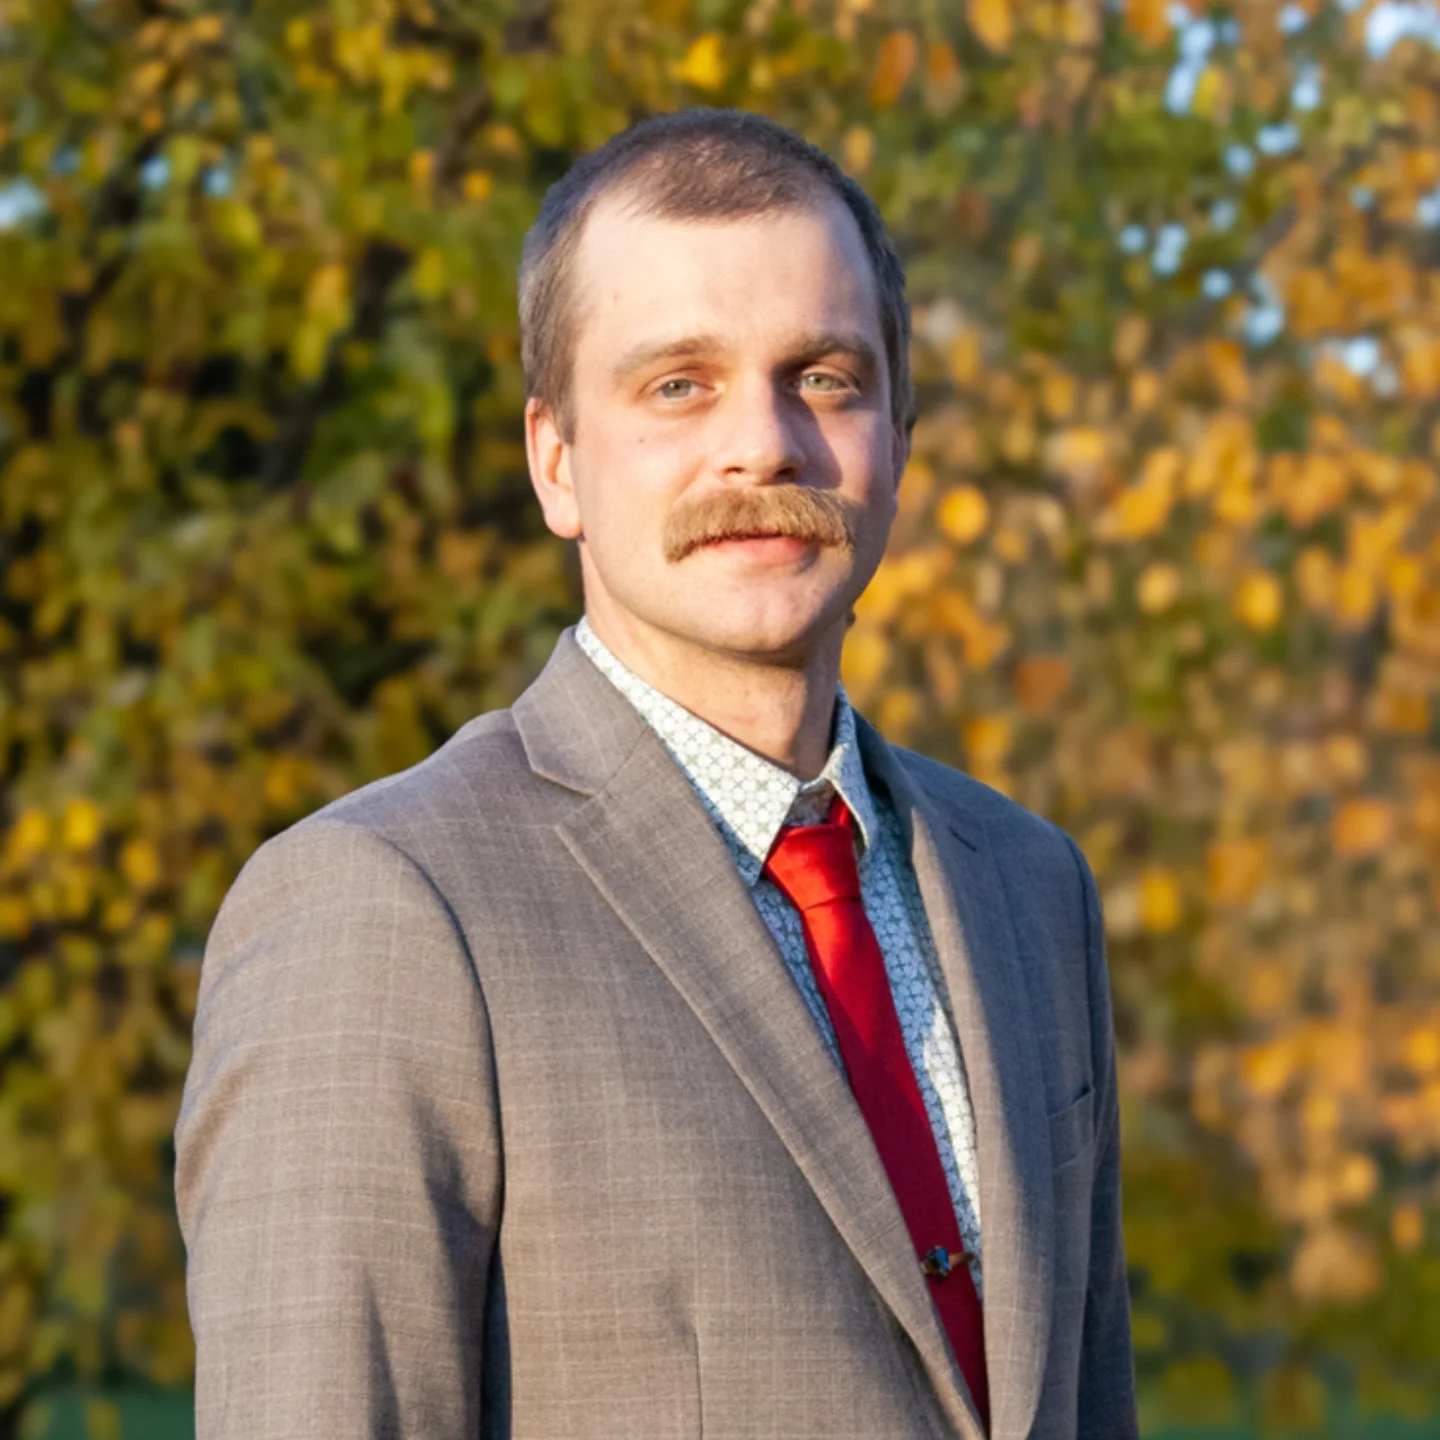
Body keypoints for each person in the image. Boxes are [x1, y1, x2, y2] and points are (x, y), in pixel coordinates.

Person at [175, 108, 1137, 1440]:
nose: (765, 445)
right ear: (555, 461)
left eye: (824, 377)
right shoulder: (383, 912)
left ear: (900, 441)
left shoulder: (1029, 889)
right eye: (679, 384)